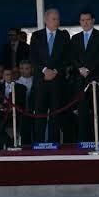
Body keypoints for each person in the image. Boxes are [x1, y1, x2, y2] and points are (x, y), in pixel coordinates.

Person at [29, 8, 71, 143]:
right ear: (46, 20)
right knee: (40, 113)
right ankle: (39, 144)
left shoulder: (64, 36)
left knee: (56, 114)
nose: (57, 21)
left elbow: (67, 58)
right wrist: (45, 70)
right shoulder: (36, 36)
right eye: (54, 19)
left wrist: (55, 71)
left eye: (58, 19)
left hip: (57, 81)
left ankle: (54, 144)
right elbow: (33, 58)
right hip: (41, 80)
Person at [71, 10, 99, 142]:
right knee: (82, 113)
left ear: (93, 20)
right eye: (82, 20)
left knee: (98, 112)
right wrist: (79, 68)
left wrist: (89, 69)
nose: (85, 22)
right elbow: (73, 57)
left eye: (88, 20)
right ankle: (83, 142)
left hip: (97, 79)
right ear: (80, 22)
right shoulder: (75, 38)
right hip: (81, 80)